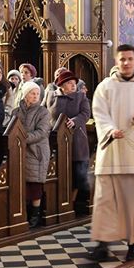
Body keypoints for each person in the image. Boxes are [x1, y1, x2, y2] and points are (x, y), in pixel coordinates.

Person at [87, 44, 134, 262]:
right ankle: (102, 244)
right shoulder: (105, 87)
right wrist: (110, 130)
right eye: (122, 59)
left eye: (130, 59)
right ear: (116, 61)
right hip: (112, 152)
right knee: (105, 200)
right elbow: (99, 113)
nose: (126, 63)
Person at [48, 69, 92, 216]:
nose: (73, 85)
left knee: (78, 174)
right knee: (61, 172)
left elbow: (86, 114)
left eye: (74, 83)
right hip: (57, 138)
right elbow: (48, 113)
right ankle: (60, 205)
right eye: (69, 83)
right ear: (61, 85)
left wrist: (75, 121)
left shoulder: (81, 97)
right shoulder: (52, 96)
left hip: (77, 139)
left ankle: (76, 204)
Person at [12, 81, 52, 227]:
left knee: (34, 185)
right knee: (21, 184)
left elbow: (41, 132)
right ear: (25, 95)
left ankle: (35, 216)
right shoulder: (16, 111)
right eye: (32, 93)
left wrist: (21, 138)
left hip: (36, 152)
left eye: (37, 94)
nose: (35, 96)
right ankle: (23, 214)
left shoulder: (43, 112)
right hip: (19, 152)